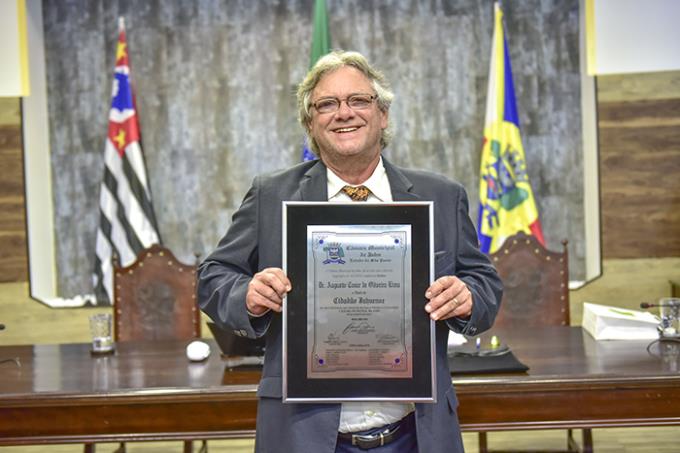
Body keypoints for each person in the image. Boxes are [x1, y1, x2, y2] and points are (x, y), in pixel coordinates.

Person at [198, 50, 502, 453]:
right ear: (311, 122)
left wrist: (466, 298)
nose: (344, 113)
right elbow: (213, 276)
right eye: (327, 104)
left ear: (383, 115)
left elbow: (484, 284)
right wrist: (248, 295)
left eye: (359, 100)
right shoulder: (271, 195)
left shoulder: (441, 195)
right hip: (303, 434)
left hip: (417, 433)